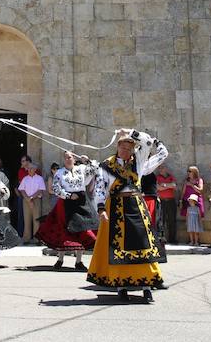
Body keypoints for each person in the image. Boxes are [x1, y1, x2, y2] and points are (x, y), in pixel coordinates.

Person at [87, 129, 169, 303]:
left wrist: (131, 132)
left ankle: (147, 286)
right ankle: (121, 286)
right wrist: (101, 209)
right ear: (117, 147)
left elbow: (147, 142)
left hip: (136, 206)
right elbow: (100, 188)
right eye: (123, 147)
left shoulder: (138, 162)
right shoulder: (106, 165)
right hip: (115, 207)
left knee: (143, 245)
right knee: (117, 249)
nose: (126, 151)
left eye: (129, 148)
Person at [35, 150, 98, 270]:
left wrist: (88, 160)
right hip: (66, 203)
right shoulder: (60, 172)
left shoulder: (82, 169)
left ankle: (78, 261)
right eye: (66, 158)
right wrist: (68, 195)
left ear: (74, 159)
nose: (68, 159)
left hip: (81, 201)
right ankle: (60, 259)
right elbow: (56, 188)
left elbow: (95, 168)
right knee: (64, 230)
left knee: (82, 229)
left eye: (70, 157)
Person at [18, 163, 45, 244]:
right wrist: (27, 198)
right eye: (28, 168)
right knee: (27, 219)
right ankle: (26, 238)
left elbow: (41, 190)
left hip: (36, 200)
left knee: (36, 219)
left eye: (31, 168)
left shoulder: (40, 178)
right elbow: (22, 189)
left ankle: (37, 239)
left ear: (35, 169)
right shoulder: (25, 179)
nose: (29, 170)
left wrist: (32, 197)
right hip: (26, 200)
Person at [154, 165, 178, 244]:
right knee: (161, 220)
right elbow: (158, 188)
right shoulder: (157, 177)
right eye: (159, 168)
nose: (160, 170)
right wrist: (169, 186)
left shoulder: (171, 177)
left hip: (171, 201)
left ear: (166, 169)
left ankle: (172, 239)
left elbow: (174, 186)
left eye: (162, 168)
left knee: (172, 220)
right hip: (161, 201)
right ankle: (162, 238)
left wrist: (164, 185)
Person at [181, 166, 205, 245]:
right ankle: (191, 240)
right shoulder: (186, 180)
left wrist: (191, 185)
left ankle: (198, 240)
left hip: (197, 201)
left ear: (194, 172)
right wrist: (181, 200)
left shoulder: (199, 180)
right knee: (189, 221)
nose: (188, 173)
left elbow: (200, 190)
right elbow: (183, 191)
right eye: (188, 171)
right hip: (187, 201)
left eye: (190, 171)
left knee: (198, 220)